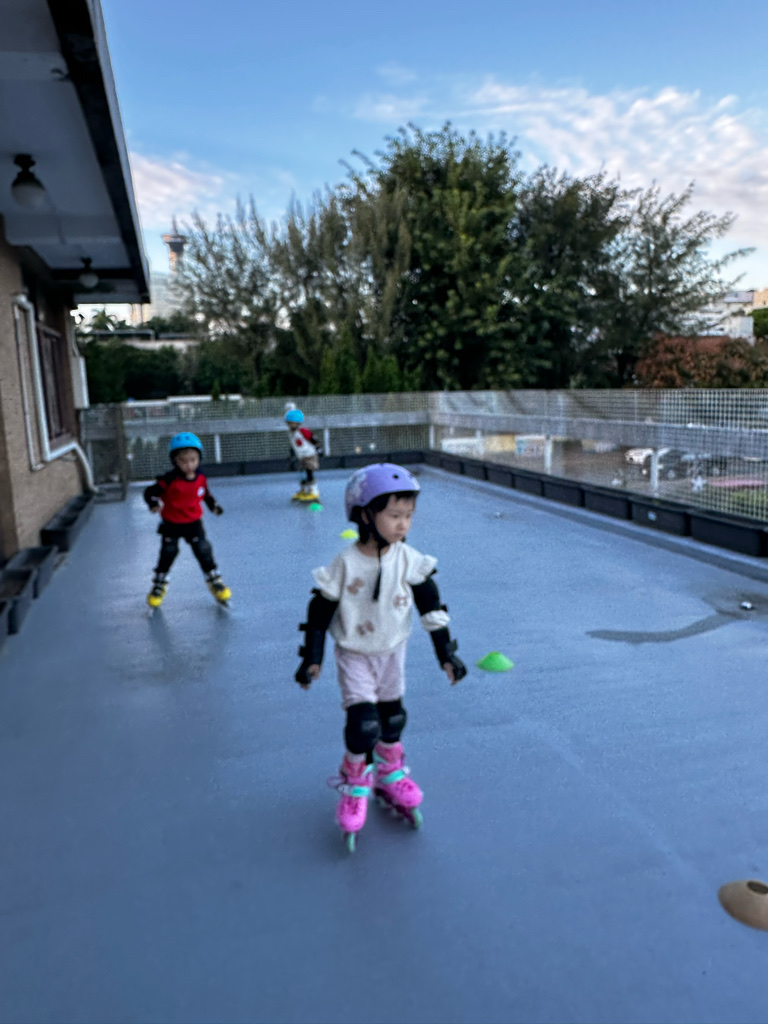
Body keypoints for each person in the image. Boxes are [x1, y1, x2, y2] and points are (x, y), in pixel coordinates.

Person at [295, 463, 467, 849]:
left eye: (409, 515)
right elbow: (319, 613)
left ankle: (389, 774)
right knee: (364, 725)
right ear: (365, 515)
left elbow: (431, 609)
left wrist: (447, 655)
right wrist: (312, 658)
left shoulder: (410, 559)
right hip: (355, 653)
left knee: (393, 719)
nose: (403, 524)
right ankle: (355, 782)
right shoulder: (345, 562)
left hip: (392, 651)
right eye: (394, 515)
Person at [143, 432, 231, 608]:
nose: (189, 465)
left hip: (193, 523)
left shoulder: (201, 478)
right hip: (171, 523)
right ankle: (159, 583)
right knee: (168, 552)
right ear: (175, 461)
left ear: (199, 459)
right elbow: (149, 492)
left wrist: (213, 506)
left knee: (203, 550)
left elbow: (205, 494)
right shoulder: (169, 480)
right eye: (184, 461)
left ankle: (214, 579)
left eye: (193, 460)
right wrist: (153, 503)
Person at [285, 407, 322, 501]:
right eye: (289, 423)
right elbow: (294, 445)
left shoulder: (302, 431)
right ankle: (305, 490)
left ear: (298, 423)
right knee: (302, 474)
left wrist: (318, 448)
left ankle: (314, 491)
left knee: (309, 472)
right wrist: (292, 456)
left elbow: (313, 439)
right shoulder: (291, 433)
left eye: (293, 423)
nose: (291, 425)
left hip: (309, 455)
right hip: (301, 457)